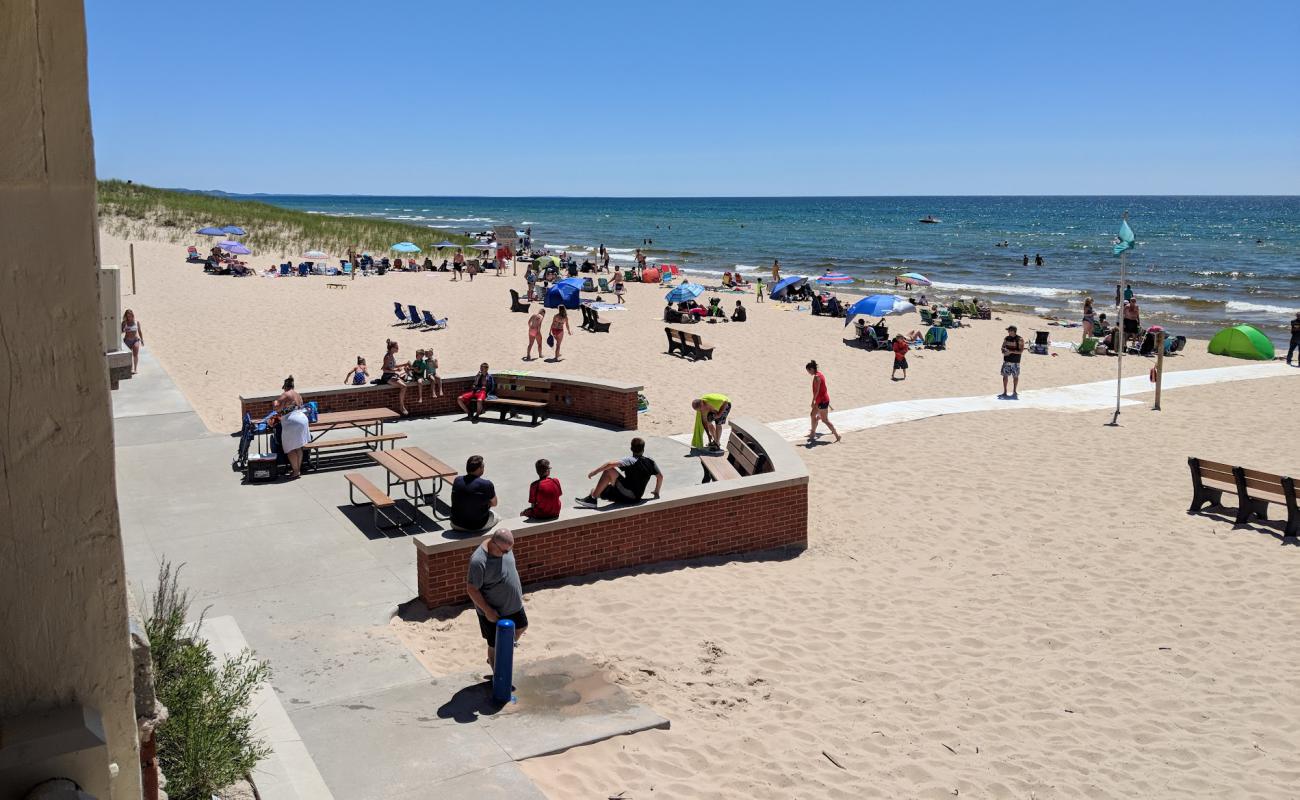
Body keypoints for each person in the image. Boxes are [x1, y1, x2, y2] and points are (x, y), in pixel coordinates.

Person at [465, 528, 526, 670]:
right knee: (494, 644)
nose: (507, 553)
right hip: (494, 611)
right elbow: (472, 589)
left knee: (521, 627)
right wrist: (487, 610)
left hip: (514, 606)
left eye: (510, 550)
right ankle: (496, 679)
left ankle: (502, 652)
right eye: (504, 551)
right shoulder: (479, 561)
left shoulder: (505, 548)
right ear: (493, 543)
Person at [574, 437, 663, 509]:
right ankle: (595, 496)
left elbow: (609, 464)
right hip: (637, 496)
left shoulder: (630, 460)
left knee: (608, 471)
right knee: (597, 491)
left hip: (629, 495)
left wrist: (594, 472)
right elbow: (660, 477)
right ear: (643, 449)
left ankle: (592, 500)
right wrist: (656, 492)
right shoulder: (650, 461)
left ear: (631, 448)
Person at [274, 376, 309, 479]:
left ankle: (296, 471)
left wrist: (275, 403)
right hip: (302, 418)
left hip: (292, 421)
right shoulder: (298, 395)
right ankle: (297, 470)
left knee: (289, 448)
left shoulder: (286, 394)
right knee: (298, 447)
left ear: (285, 386)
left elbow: (277, 407)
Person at [451, 454, 498, 531]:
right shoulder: (486, 484)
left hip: (456, 523)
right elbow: (494, 503)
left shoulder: (457, 480)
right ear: (479, 469)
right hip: (476, 525)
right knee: (498, 518)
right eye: (483, 466)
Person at [806, 360, 840, 443]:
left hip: (822, 401)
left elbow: (817, 391)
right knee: (812, 415)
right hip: (821, 400)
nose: (808, 373)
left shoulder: (817, 377)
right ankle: (813, 433)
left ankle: (837, 435)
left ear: (812, 369)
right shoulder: (820, 374)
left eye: (808, 371)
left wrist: (812, 401)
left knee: (825, 420)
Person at [381, 339, 412, 416]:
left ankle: (402, 406)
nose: (398, 349)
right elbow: (384, 369)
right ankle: (401, 406)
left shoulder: (391, 355)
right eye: (397, 347)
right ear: (392, 348)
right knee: (404, 387)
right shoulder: (387, 357)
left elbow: (393, 366)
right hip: (387, 376)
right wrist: (396, 370)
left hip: (392, 375)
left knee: (405, 378)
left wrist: (404, 364)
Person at [999, 325, 1025, 399]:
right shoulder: (1006, 338)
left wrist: (1010, 351)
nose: (1008, 332)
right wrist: (1003, 351)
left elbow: (1021, 351)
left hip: (1015, 361)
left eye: (1009, 330)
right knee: (1005, 376)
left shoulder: (1020, 339)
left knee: (1015, 377)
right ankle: (1005, 391)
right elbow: (1002, 347)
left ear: (1013, 331)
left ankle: (1014, 391)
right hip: (1006, 360)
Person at [121, 309, 144, 374]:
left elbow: (139, 331)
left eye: (130, 316)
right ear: (126, 316)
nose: (129, 318)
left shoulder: (137, 322)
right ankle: (130, 368)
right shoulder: (124, 323)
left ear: (132, 315)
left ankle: (135, 369)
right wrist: (124, 328)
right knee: (129, 355)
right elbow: (120, 331)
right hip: (127, 340)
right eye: (128, 316)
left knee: (135, 354)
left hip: (135, 340)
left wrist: (142, 340)